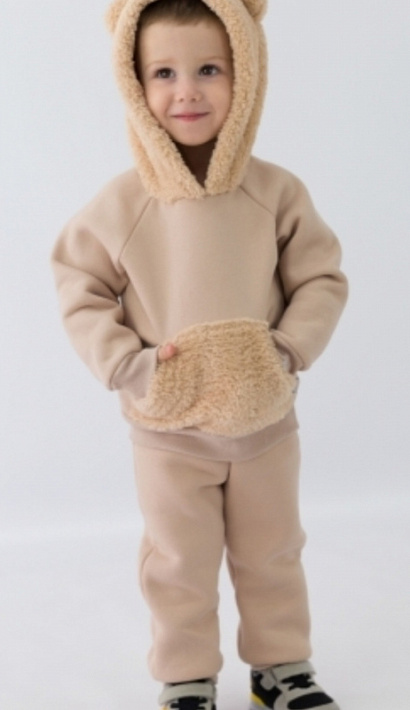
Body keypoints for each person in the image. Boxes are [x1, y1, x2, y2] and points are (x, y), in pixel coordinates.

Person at [51, 1, 348, 709]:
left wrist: (286, 351)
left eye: (210, 69)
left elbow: (321, 277)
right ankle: (186, 675)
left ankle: (281, 667)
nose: (187, 91)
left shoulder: (275, 192)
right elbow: (79, 284)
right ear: (134, 84)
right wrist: (132, 368)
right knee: (178, 560)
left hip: (264, 424)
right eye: (164, 73)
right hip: (169, 432)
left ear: (246, 74)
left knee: (273, 549)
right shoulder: (124, 203)